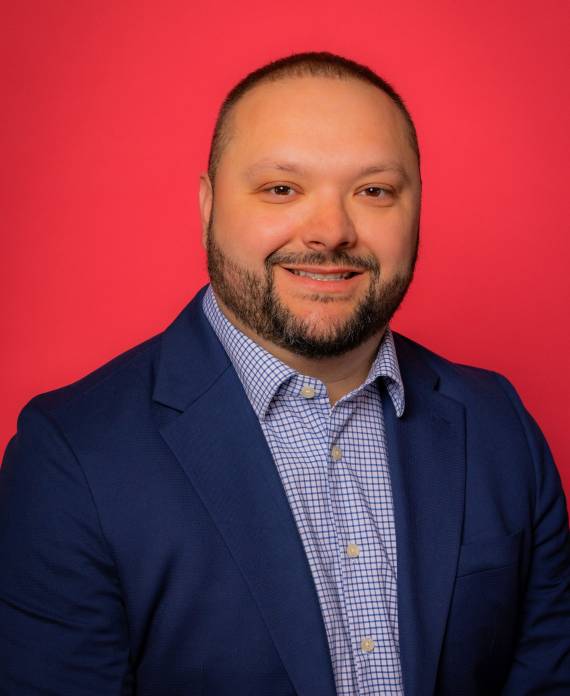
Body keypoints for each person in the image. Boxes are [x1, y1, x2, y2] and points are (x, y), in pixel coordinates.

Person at [0, 51, 568, 696]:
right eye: (281, 189)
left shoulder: (499, 425)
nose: (331, 232)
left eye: (374, 191)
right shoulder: (71, 457)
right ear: (208, 204)